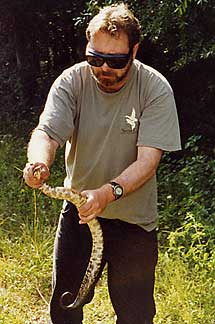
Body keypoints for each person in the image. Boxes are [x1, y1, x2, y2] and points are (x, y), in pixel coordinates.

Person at [23, 3, 181, 324]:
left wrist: (106, 194)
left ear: (134, 52)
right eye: (95, 58)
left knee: (135, 316)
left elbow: (148, 161)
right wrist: (38, 161)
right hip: (79, 216)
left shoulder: (154, 89)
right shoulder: (72, 82)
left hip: (134, 224)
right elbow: (47, 133)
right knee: (64, 309)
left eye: (115, 60)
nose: (104, 68)